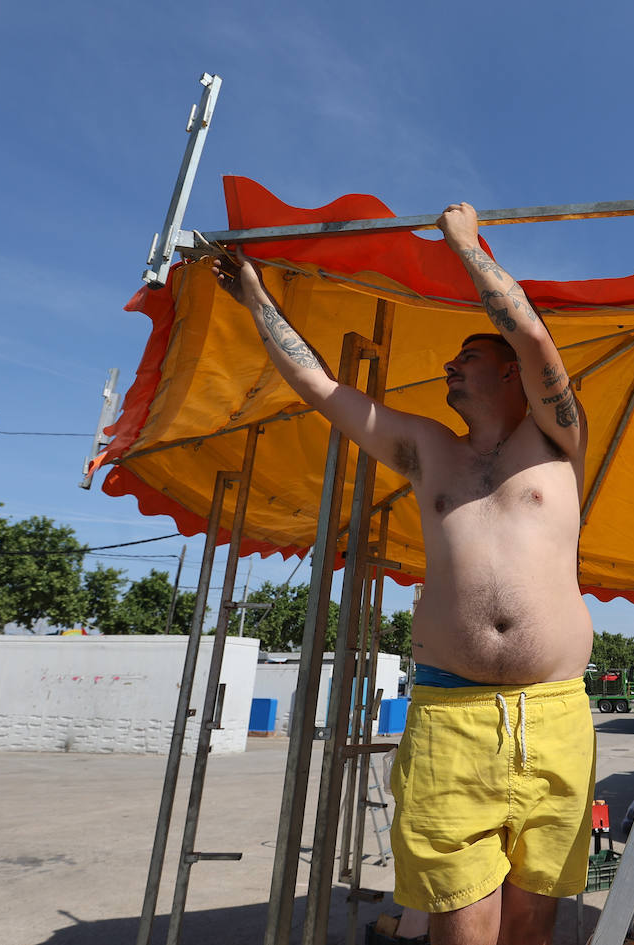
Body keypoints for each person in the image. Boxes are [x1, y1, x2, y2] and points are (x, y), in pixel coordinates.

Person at [212, 202, 594, 945]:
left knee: (533, 921)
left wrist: (464, 246)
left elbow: (536, 335)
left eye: (468, 359)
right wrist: (256, 297)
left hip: (554, 716)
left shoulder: (558, 436)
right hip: (451, 718)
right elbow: (324, 390)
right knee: (460, 920)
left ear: (510, 374)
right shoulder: (427, 448)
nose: (449, 366)